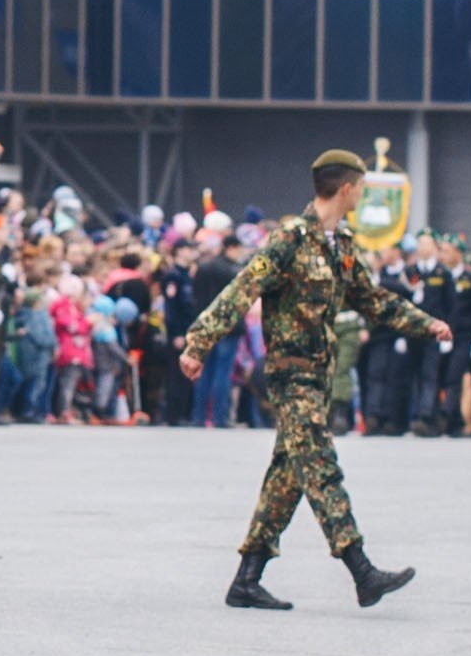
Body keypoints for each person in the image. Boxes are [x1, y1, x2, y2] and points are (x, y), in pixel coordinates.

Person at [174, 149, 444, 608]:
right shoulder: (289, 240)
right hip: (290, 376)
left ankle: (246, 579)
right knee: (320, 463)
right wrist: (199, 342)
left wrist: (425, 324)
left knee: (287, 477)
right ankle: (361, 570)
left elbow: (372, 299)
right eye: (361, 187)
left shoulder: (340, 244)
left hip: (319, 375)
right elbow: (243, 289)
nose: (361, 194)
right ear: (347, 188)